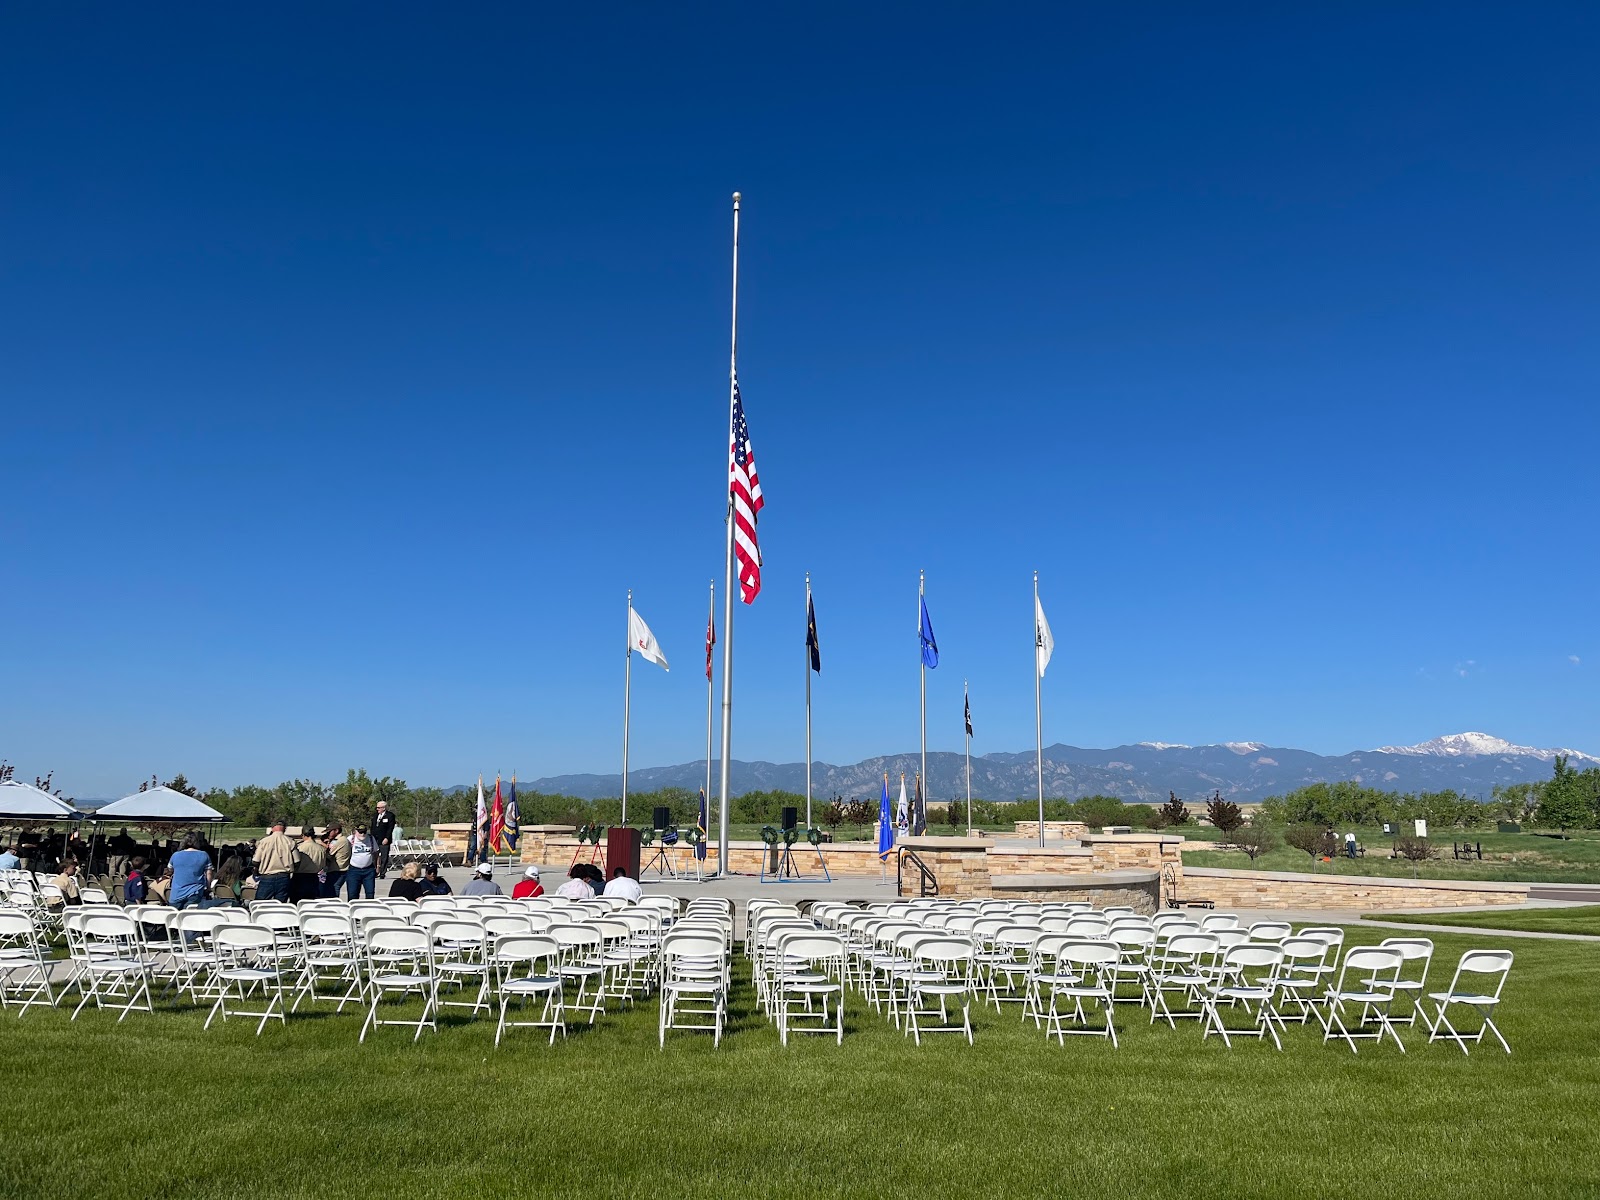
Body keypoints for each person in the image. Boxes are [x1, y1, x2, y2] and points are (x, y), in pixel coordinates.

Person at [252, 820, 297, 903]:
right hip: (284, 877)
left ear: (272, 828)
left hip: (267, 876)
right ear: (284, 829)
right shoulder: (290, 842)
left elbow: (255, 861)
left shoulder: (264, 841)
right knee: (280, 906)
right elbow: (297, 861)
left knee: (259, 905)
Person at [169, 832, 213, 910]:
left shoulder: (175, 855)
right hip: (195, 892)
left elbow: (170, 869)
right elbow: (208, 873)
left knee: (174, 918)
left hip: (176, 893)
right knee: (189, 918)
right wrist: (208, 887)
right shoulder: (204, 855)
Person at [291, 825, 328, 902]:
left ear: (303, 835)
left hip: (299, 878)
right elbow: (323, 865)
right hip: (314, 878)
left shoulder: (300, 848)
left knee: (296, 903)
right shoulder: (321, 849)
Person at [345, 825, 378, 899]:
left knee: (370, 893)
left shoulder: (371, 838)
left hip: (368, 870)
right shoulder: (350, 839)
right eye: (360, 832)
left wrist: (377, 866)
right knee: (353, 894)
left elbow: (376, 853)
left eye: (364, 832)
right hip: (354, 870)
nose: (362, 834)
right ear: (355, 831)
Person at [322, 824, 349, 898]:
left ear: (336, 831)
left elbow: (329, 854)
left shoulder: (340, 841)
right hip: (336, 869)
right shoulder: (339, 840)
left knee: (334, 889)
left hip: (338, 870)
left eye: (329, 832)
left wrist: (322, 845)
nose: (327, 834)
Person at [372, 800, 397, 879]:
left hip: (384, 839)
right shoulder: (375, 816)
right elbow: (372, 827)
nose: (377, 809)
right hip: (375, 839)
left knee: (384, 857)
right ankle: (374, 872)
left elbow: (390, 828)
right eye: (377, 807)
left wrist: (387, 838)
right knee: (374, 856)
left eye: (379, 808)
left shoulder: (390, 816)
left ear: (384, 808)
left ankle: (382, 873)